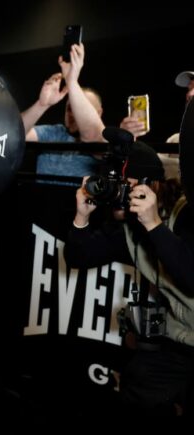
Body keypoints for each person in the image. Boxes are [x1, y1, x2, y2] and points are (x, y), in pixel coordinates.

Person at [64, 141, 194, 430]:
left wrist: (155, 225)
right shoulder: (130, 231)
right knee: (135, 390)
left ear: (153, 187)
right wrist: (82, 216)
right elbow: (78, 256)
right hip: (177, 344)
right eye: (113, 186)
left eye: (127, 187)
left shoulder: (185, 213)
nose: (119, 196)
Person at [21, 42, 106, 178]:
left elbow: (92, 136)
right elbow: (14, 132)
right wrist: (42, 105)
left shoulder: (104, 139)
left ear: (99, 113)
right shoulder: (53, 133)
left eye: (78, 108)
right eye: (69, 109)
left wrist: (71, 81)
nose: (72, 114)